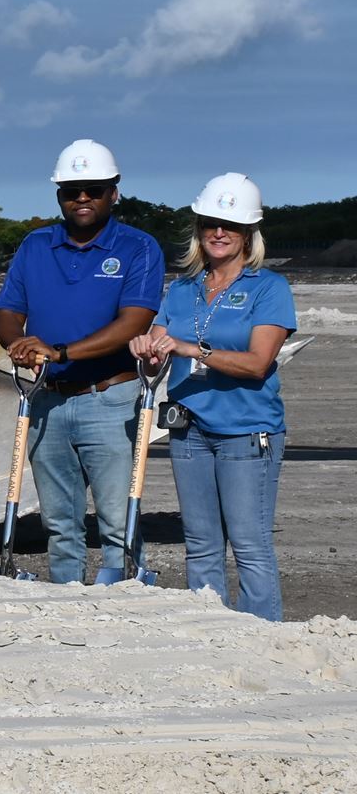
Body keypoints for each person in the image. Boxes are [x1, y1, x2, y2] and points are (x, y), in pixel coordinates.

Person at [0, 138, 165, 584]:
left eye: (92, 189)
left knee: (116, 519)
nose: (82, 198)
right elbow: (8, 312)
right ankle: (66, 598)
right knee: (60, 522)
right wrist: (18, 343)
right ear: (59, 196)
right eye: (72, 190)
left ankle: (123, 597)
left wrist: (61, 352)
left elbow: (134, 322)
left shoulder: (138, 247)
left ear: (113, 191)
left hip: (109, 398)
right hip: (45, 399)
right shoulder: (35, 245)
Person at [135, 173, 294, 620]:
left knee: (249, 544)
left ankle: (263, 636)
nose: (219, 233)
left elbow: (258, 363)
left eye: (231, 225)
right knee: (201, 545)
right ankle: (211, 631)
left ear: (248, 234)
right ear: (199, 230)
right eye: (210, 224)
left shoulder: (269, 288)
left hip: (247, 432)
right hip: (189, 429)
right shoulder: (183, 289)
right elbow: (156, 353)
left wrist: (192, 349)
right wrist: (146, 350)